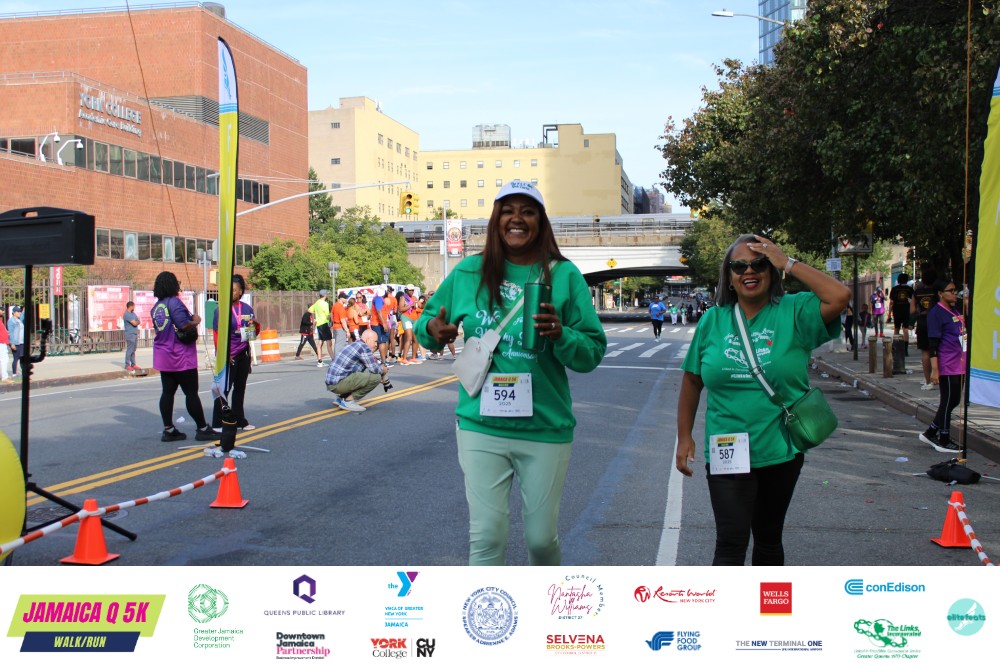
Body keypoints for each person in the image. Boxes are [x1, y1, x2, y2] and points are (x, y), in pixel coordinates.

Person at [415, 180, 607, 566]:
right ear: (496, 219)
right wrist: (433, 330)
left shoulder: (564, 276)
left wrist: (561, 335)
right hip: (480, 425)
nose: (516, 218)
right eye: (508, 211)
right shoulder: (468, 272)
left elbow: (591, 352)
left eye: (528, 211)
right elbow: (427, 322)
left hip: (544, 427)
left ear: (541, 221)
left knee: (541, 540)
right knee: (486, 537)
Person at [675, 233, 850, 566]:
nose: (749, 272)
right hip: (727, 447)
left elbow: (839, 295)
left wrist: (788, 262)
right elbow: (692, 380)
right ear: (729, 276)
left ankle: (766, 602)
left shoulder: (795, 311)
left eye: (759, 264)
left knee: (768, 539)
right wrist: (684, 436)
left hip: (780, 449)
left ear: (772, 272)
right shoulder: (713, 320)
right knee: (730, 542)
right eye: (739, 266)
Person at [150, 271, 219, 442]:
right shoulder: (175, 303)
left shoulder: (157, 307)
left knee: (167, 392)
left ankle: (168, 429)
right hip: (180, 355)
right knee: (191, 393)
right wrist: (196, 321)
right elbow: (183, 325)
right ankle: (202, 428)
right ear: (172, 285)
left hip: (163, 355)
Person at [918, 279, 965, 453]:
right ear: (940, 293)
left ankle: (931, 432)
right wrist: (935, 370)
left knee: (955, 400)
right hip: (948, 363)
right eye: (950, 290)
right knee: (947, 400)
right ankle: (943, 439)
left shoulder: (955, 309)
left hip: (960, 362)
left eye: (955, 290)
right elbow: (933, 344)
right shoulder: (936, 313)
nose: (954, 293)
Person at [211, 274, 259, 432]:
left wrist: (256, 326)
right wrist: (222, 355)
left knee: (240, 389)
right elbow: (217, 335)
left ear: (240, 292)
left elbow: (252, 334)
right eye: (228, 290)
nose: (231, 293)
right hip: (228, 356)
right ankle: (218, 422)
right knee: (223, 390)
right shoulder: (221, 310)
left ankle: (239, 420)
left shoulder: (247, 309)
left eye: (234, 290)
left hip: (242, 354)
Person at [325, 329, 389, 412]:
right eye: (375, 341)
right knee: (376, 377)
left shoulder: (355, 344)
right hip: (338, 383)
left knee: (362, 376)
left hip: (332, 383)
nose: (376, 344)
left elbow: (360, 372)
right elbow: (375, 369)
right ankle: (348, 402)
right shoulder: (364, 347)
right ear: (368, 339)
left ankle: (341, 398)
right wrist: (383, 369)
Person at [912, 265, 939, 390]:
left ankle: (928, 381)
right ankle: (938, 378)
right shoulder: (938, 292)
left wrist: (921, 311)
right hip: (936, 321)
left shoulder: (917, 292)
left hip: (922, 322)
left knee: (925, 352)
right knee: (938, 350)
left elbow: (912, 310)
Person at [397, 285, 421, 364]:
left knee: (416, 339)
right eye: (410, 290)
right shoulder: (403, 298)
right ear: (406, 290)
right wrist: (410, 305)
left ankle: (413, 357)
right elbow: (401, 309)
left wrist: (420, 303)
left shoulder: (414, 298)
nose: (412, 291)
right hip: (406, 318)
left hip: (415, 319)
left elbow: (420, 306)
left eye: (413, 290)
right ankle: (404, 358)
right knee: (409, 338)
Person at [889, 273, 914, 348]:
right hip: (906, 310)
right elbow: (913, 301)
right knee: (905, 329)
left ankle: (895, 346)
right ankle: (905, 348)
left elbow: (891, 302)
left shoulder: (894, 289)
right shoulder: (910, 289)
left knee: (896, 328)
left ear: (898, 280)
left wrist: (889, 314)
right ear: (907, 280)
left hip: (897, 310)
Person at [309, 289, 332, 367]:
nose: (327, 295)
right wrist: (330, 317)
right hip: (324, 323)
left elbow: (309, 310)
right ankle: (333, 359)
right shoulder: (325, 304)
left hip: (319, 324)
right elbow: (327, 316)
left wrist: (317, 313)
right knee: (329, 342)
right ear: (325, 295)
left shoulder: (317, 303)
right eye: (327, 294)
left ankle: (320, 361)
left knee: (320, 342)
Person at [7, 306, 23, 380]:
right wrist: (12, 343)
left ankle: (24, 373)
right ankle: (14, 374)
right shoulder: (11, 321)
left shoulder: (19, 320)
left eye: (20, 311)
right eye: (18, 312)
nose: (19, 313)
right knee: (16, 358)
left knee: (22, 358)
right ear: (13, 312)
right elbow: (11, 333)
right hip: (16, 342)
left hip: (22, 342)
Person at [123, 300, 140, 370]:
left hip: (135, 334)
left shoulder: (133, 314)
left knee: (133, 350)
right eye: (133, 306)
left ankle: (133, 364)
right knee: (130, 349)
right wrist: (137, 322)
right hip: (130, 334)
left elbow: (138, 320)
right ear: (131, 306)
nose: (134, 308)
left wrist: (137, 321)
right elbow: (135, 323)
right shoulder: (127, 314)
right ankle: (127, 364)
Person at [0, 306, 10, 383]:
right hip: (1, 342)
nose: (3, 311)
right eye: (2, 310)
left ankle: (4, 376)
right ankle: (5, 377)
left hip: (2, 342)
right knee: (4, 359)